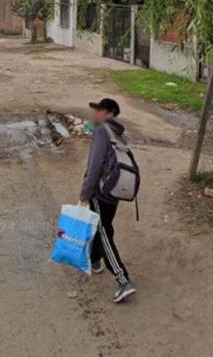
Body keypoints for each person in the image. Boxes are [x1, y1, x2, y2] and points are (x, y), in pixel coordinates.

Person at [80, 97, 136, 303]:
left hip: (100, 192)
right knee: (101, 226)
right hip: (114, 191)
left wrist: (85, 192)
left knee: (104, 232)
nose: (94, 113)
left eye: (99, 110)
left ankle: (123, 280)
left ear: (109, 112)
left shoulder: (102, 131)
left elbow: (94, 166)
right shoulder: (118, 133)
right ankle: (95, 260)